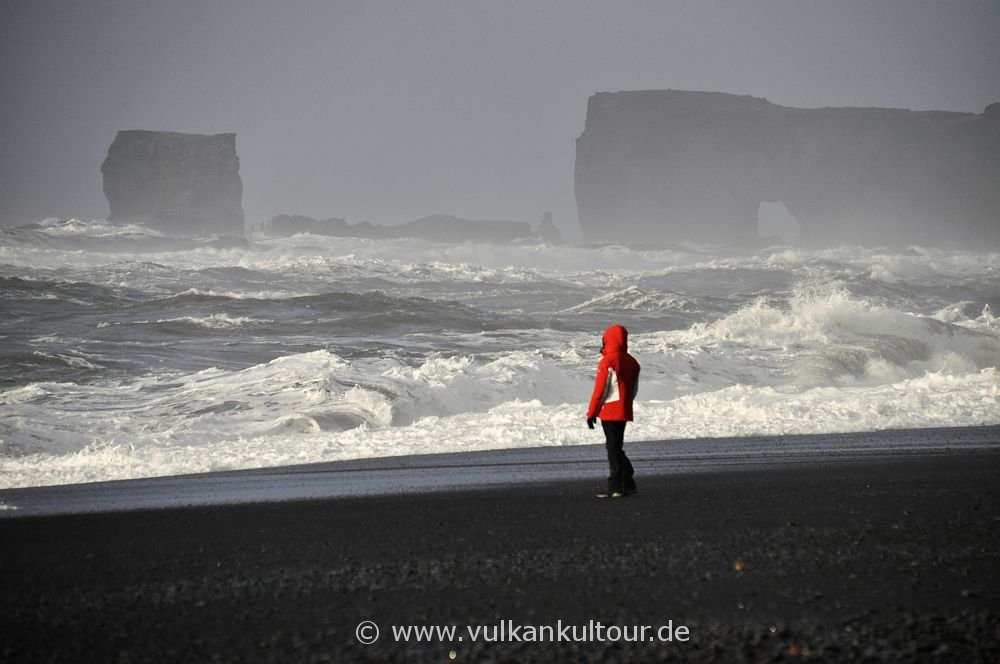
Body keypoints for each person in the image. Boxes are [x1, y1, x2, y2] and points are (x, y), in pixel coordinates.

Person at [586, 324, 640, 498]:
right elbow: (634, 389)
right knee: (616, 446)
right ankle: (627, 483)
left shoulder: (608, 361)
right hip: (624, 408)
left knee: (612, 448)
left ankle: (616, 486)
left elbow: (600, 390)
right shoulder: (632, 361)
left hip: (609, 409)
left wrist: (592, 413)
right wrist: (626, 403)